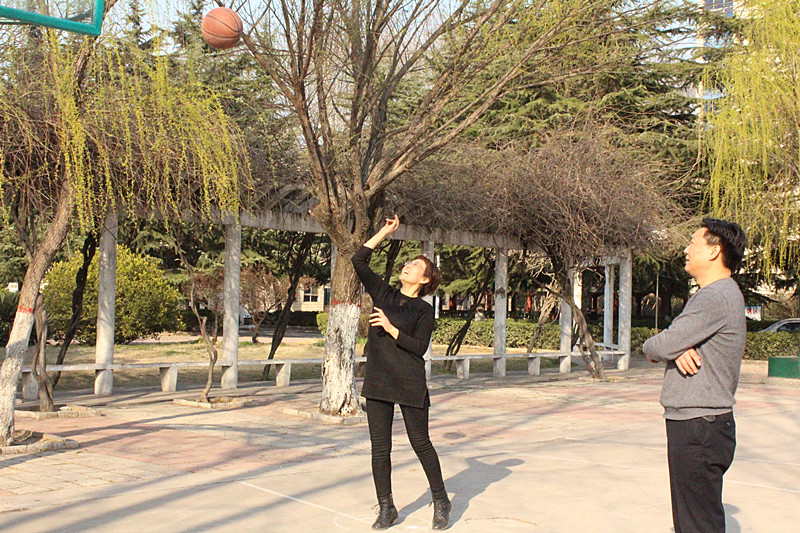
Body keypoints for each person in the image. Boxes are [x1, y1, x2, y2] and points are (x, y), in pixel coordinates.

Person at [643, 217, 748, 533]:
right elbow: (671, 343)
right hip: (701, 424)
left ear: (715, 251)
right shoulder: (719, 295)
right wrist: (677, 348)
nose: (686, 250)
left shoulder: (715, 296)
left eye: (693, 243)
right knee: (695, 520)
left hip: (699, 426)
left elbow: (657, 345)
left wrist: (670, 346)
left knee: (697, 524)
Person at [352, 215, 450, 531]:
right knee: (380, 449)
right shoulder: (385, 294)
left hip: (409, 381)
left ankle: (441, 501)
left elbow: (419, 347)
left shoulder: (424, 310)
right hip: (378, 379)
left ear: (424, 279)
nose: (408, 266)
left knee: (421, 443)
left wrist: (392, 328)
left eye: (415, 265)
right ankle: (387, 508)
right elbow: (359, 260)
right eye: (408, 262)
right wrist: (384, 231)